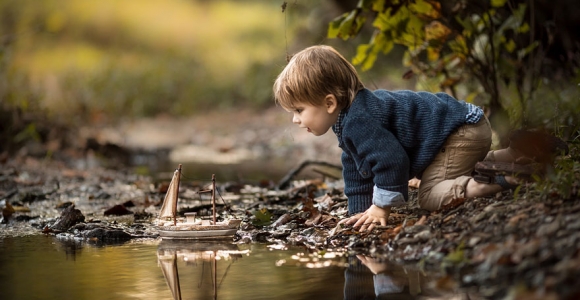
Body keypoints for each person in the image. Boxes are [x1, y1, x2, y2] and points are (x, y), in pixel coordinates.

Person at [272, 45, 566, 232]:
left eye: (299, 110)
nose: (296, 119)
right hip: (465, 127)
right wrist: (360, 212)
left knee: (428, 195)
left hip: (460, 133)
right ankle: (522, 152)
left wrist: (381, 207)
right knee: (451, 169)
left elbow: (392, 160)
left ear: (329, 103)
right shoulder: (350, 119)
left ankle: (503, 180)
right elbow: (356, 168)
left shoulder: (359, 120)